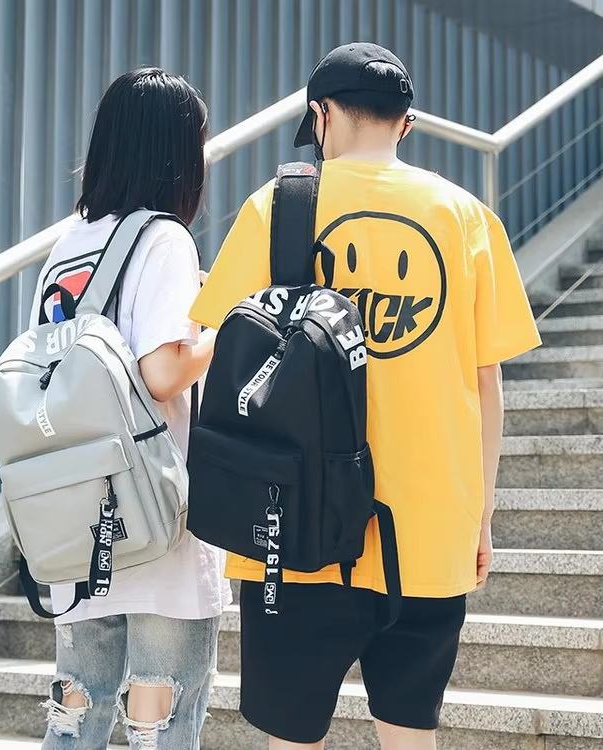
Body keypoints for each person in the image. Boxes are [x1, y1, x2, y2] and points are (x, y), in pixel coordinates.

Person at [191, 43, 540, 750]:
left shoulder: (276, 207)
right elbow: (487, 384)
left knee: (292, 739)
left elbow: (223, 359)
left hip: (295, 528)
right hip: (427, 531)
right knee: (411, 735)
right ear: (406, 124)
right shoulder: (468, 217)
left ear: (321, 115)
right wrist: (480, 516)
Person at [32, 68, 230, 750]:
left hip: (74, 516)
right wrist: (223, 327)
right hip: (151, 515)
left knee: (75, 713)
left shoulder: (68, 245)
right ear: (177, 152)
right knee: (159, 723)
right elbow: (163, 371)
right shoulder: (163, 239)